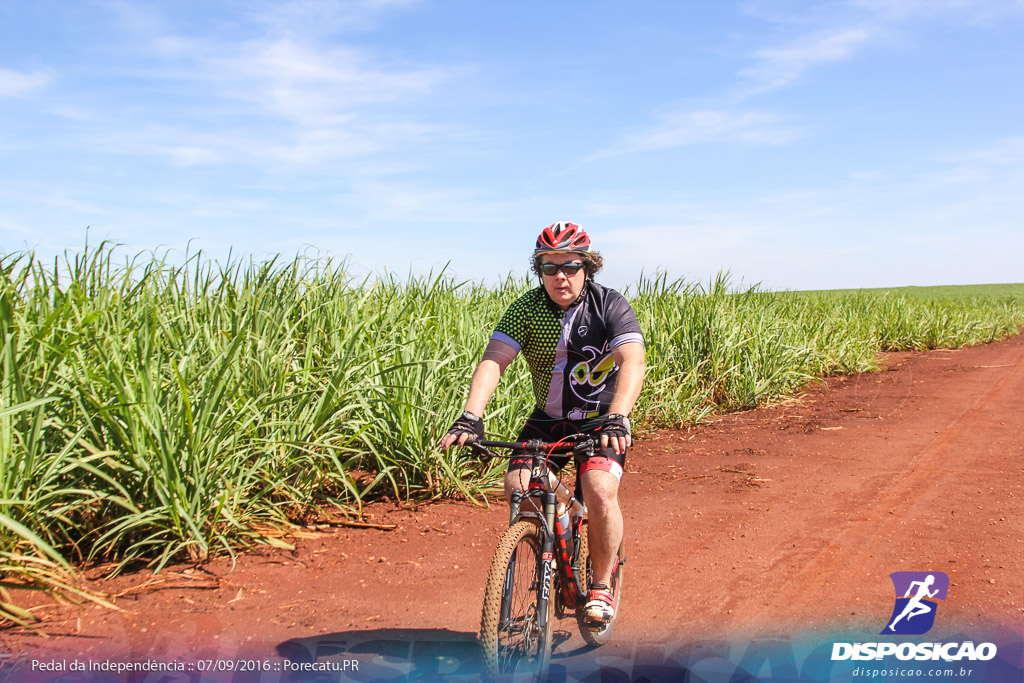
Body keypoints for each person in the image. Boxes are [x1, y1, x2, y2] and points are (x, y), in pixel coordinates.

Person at [439, 221, 646, 625]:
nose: (560, 276)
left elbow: (632, 361)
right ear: (539, 271)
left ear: (588, 266)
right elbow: (493, 360)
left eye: (569, 266)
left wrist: (619, 416)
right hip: (548, 420)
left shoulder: (609, 305)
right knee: (518, 488)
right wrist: (470, 416)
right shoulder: (526, 309)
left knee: (600, 489)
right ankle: (561, 524)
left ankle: (600, 587)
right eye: (549, 268)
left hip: (600, 421)